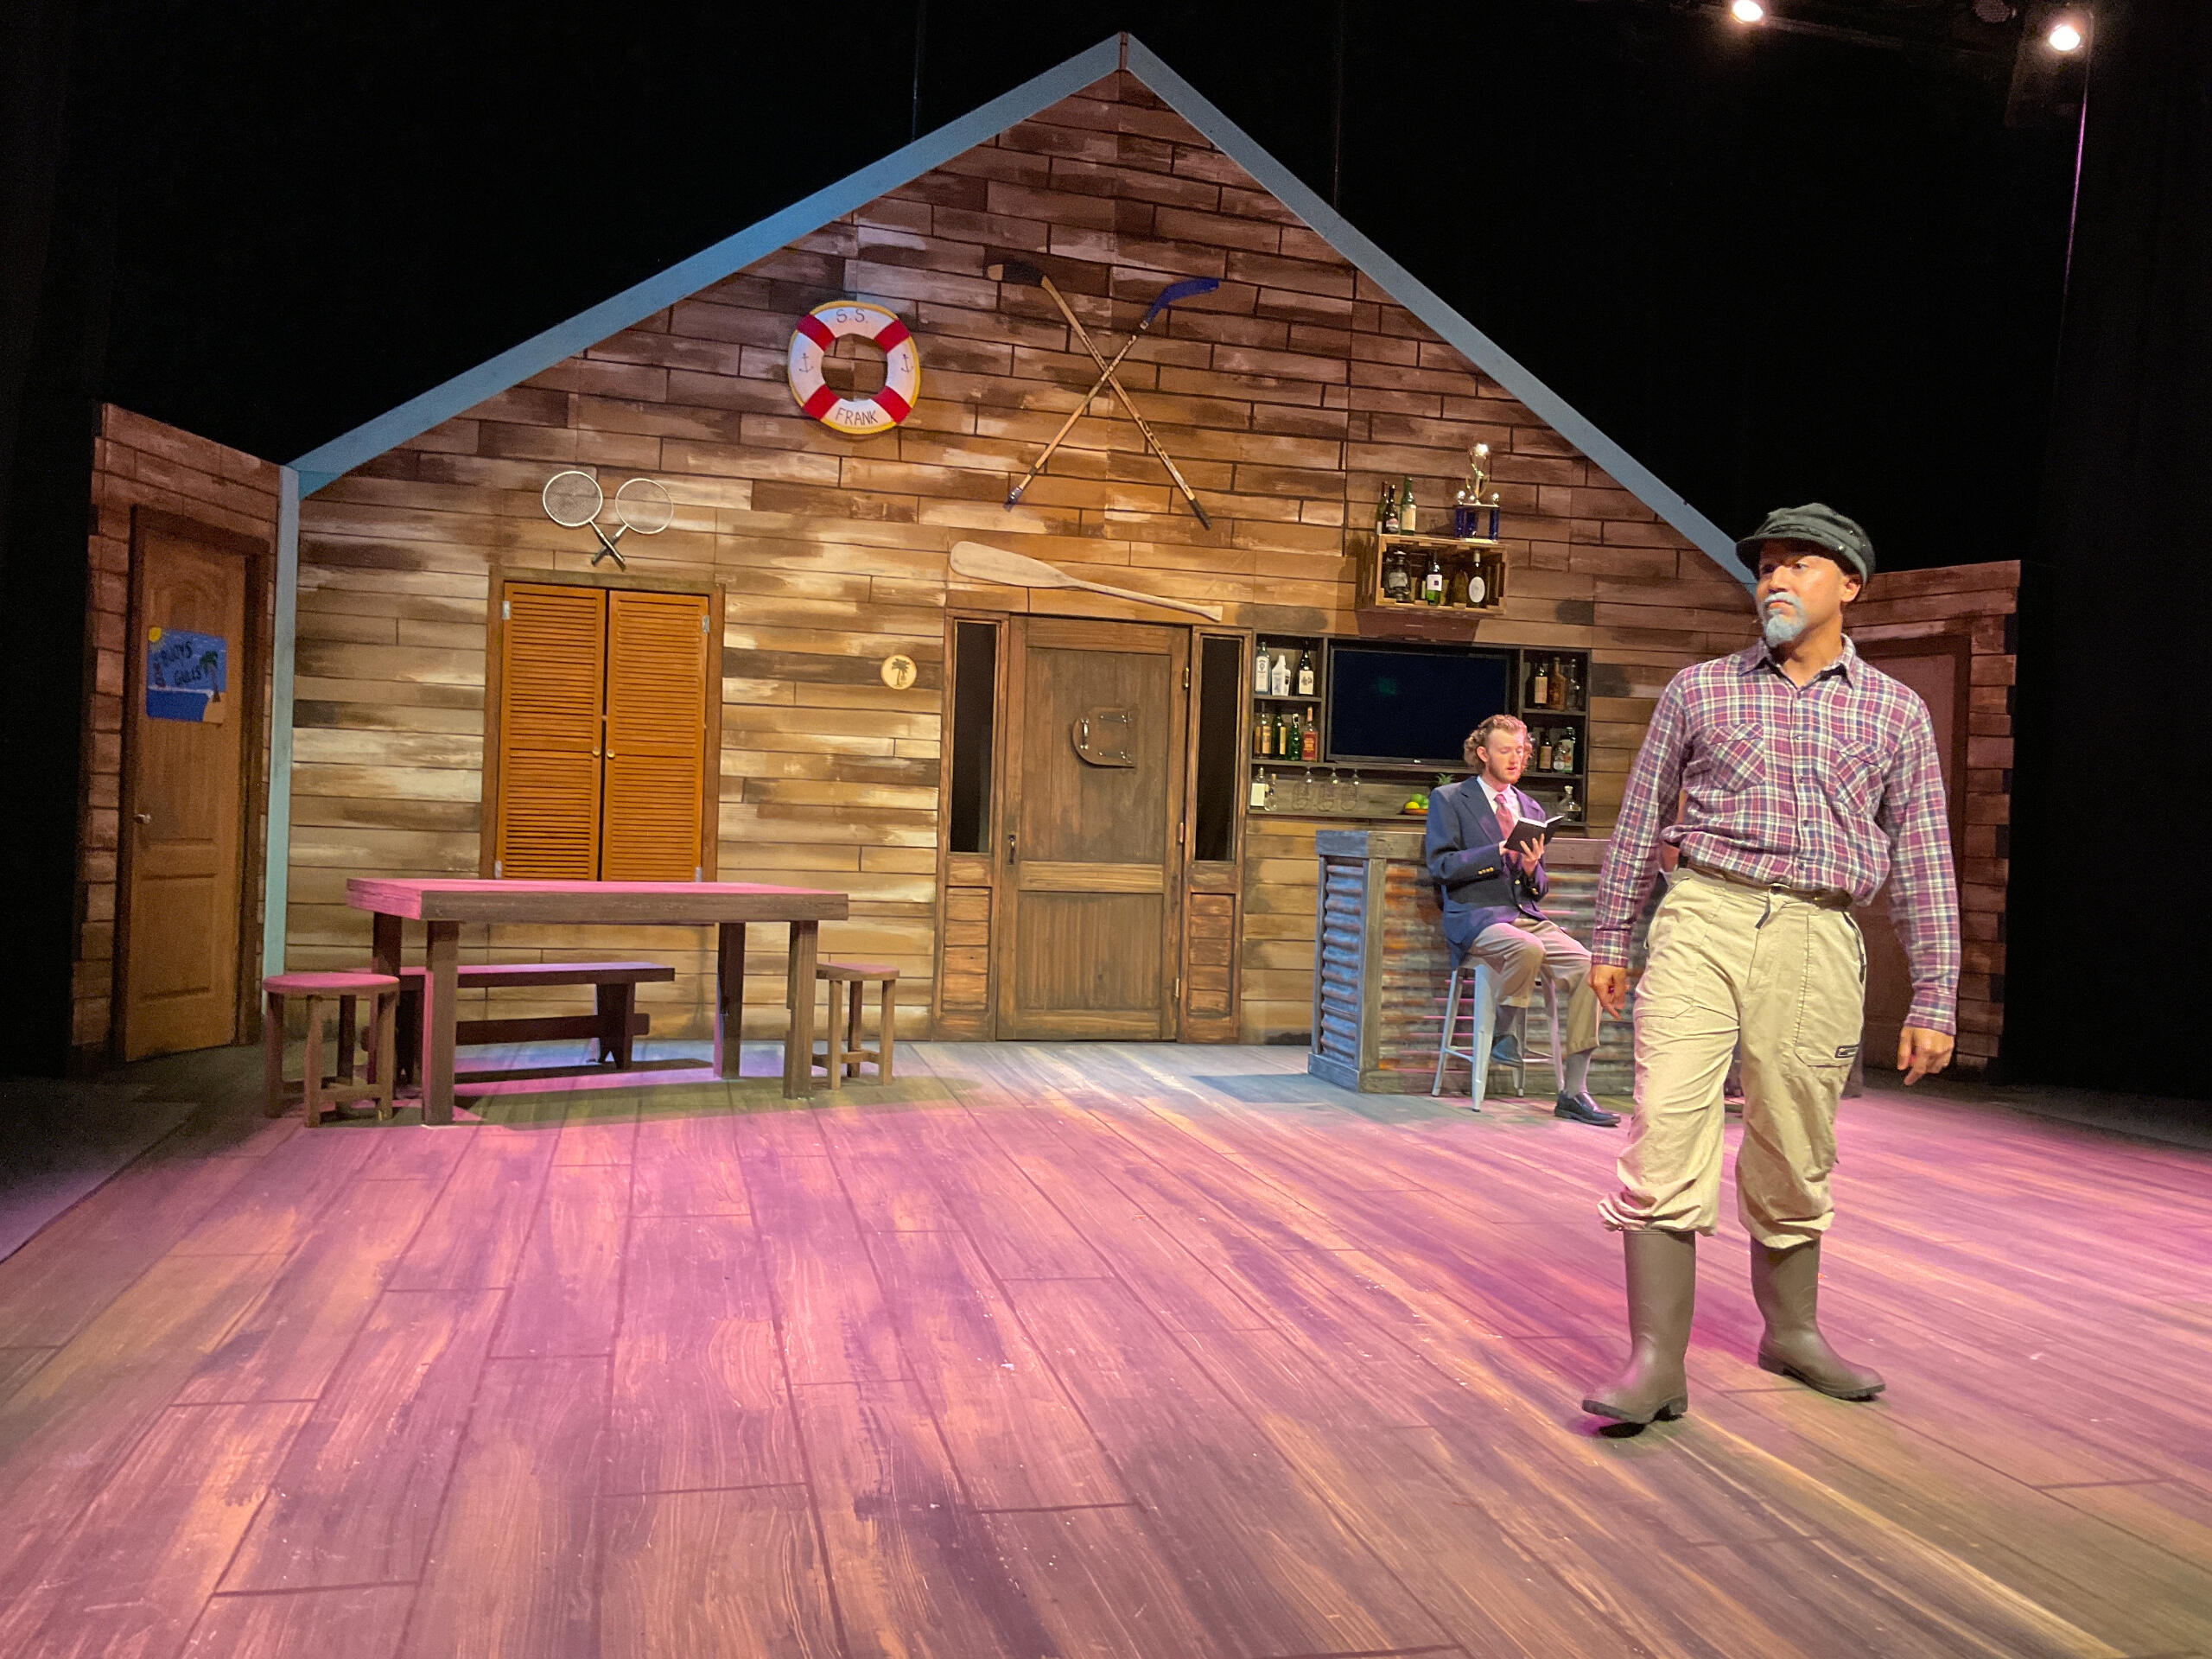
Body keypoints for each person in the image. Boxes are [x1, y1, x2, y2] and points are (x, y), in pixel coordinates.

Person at [1580, 504, 1959, 1427]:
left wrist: (1936, 995)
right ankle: (1655, 1361)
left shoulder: (1895, 711)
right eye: (1766, 567)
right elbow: (1639, 817)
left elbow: (1923, 858)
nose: (1775, 580)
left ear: (1850, 585)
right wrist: (1612, 937)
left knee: (1794, 1139)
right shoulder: (1701, 689)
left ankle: (1791, 1333)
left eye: (1799, 564)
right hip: (1703, 914)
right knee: (1667, 1126)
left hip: (1817, 931)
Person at [1425, 714, 1616, 1125]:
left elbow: (1538, 889)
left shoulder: (1529, 807)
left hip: (1524, 915)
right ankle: (1504, 1033)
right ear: (1482, 753)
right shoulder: (1450, 798)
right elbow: (1441, 867)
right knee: (1526, 948)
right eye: (1505, 751)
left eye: (1521, 750)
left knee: (1589, 967)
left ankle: (1574, 1092)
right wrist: (1496, 853)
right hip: (1476, 916)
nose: (1515, 759)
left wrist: (1531, 869)